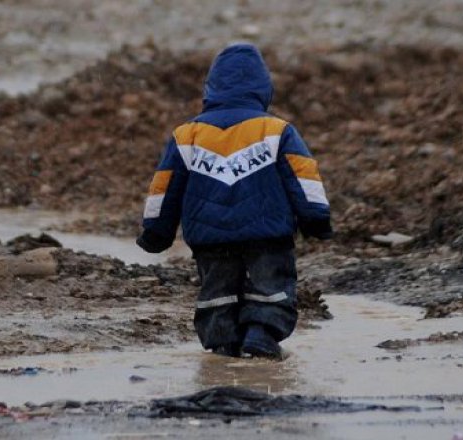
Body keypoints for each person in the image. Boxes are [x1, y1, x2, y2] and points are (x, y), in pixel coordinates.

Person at [136, 43, 332, 359]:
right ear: (264, 88)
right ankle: (262, 337)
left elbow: (164, 187)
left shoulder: (187, 135)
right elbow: (303, 175)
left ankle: (223, 343)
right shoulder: (276, 129)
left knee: (217, 292)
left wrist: (156, 232)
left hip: (210, 238)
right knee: (271, 286)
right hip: (267, 234)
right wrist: (316, 218)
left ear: (210, 88)